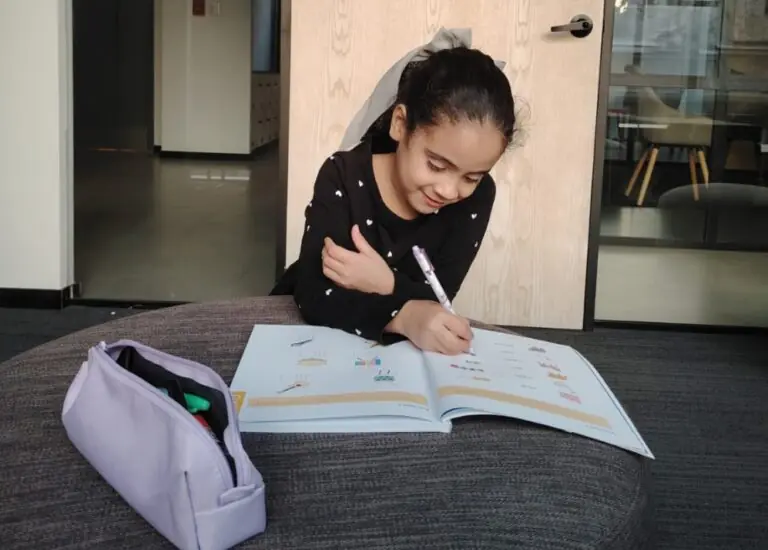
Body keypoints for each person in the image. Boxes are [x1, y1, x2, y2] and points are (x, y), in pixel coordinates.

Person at [271, 46, 517, 355]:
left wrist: (386, 283)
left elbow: (439, 296)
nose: (450, 191)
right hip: (310, 335)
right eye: (437, 166)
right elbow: (314, 294)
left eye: (472, 177)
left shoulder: (477, 198)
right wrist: (403, 315)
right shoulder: (344, 175)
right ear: (400, 124)